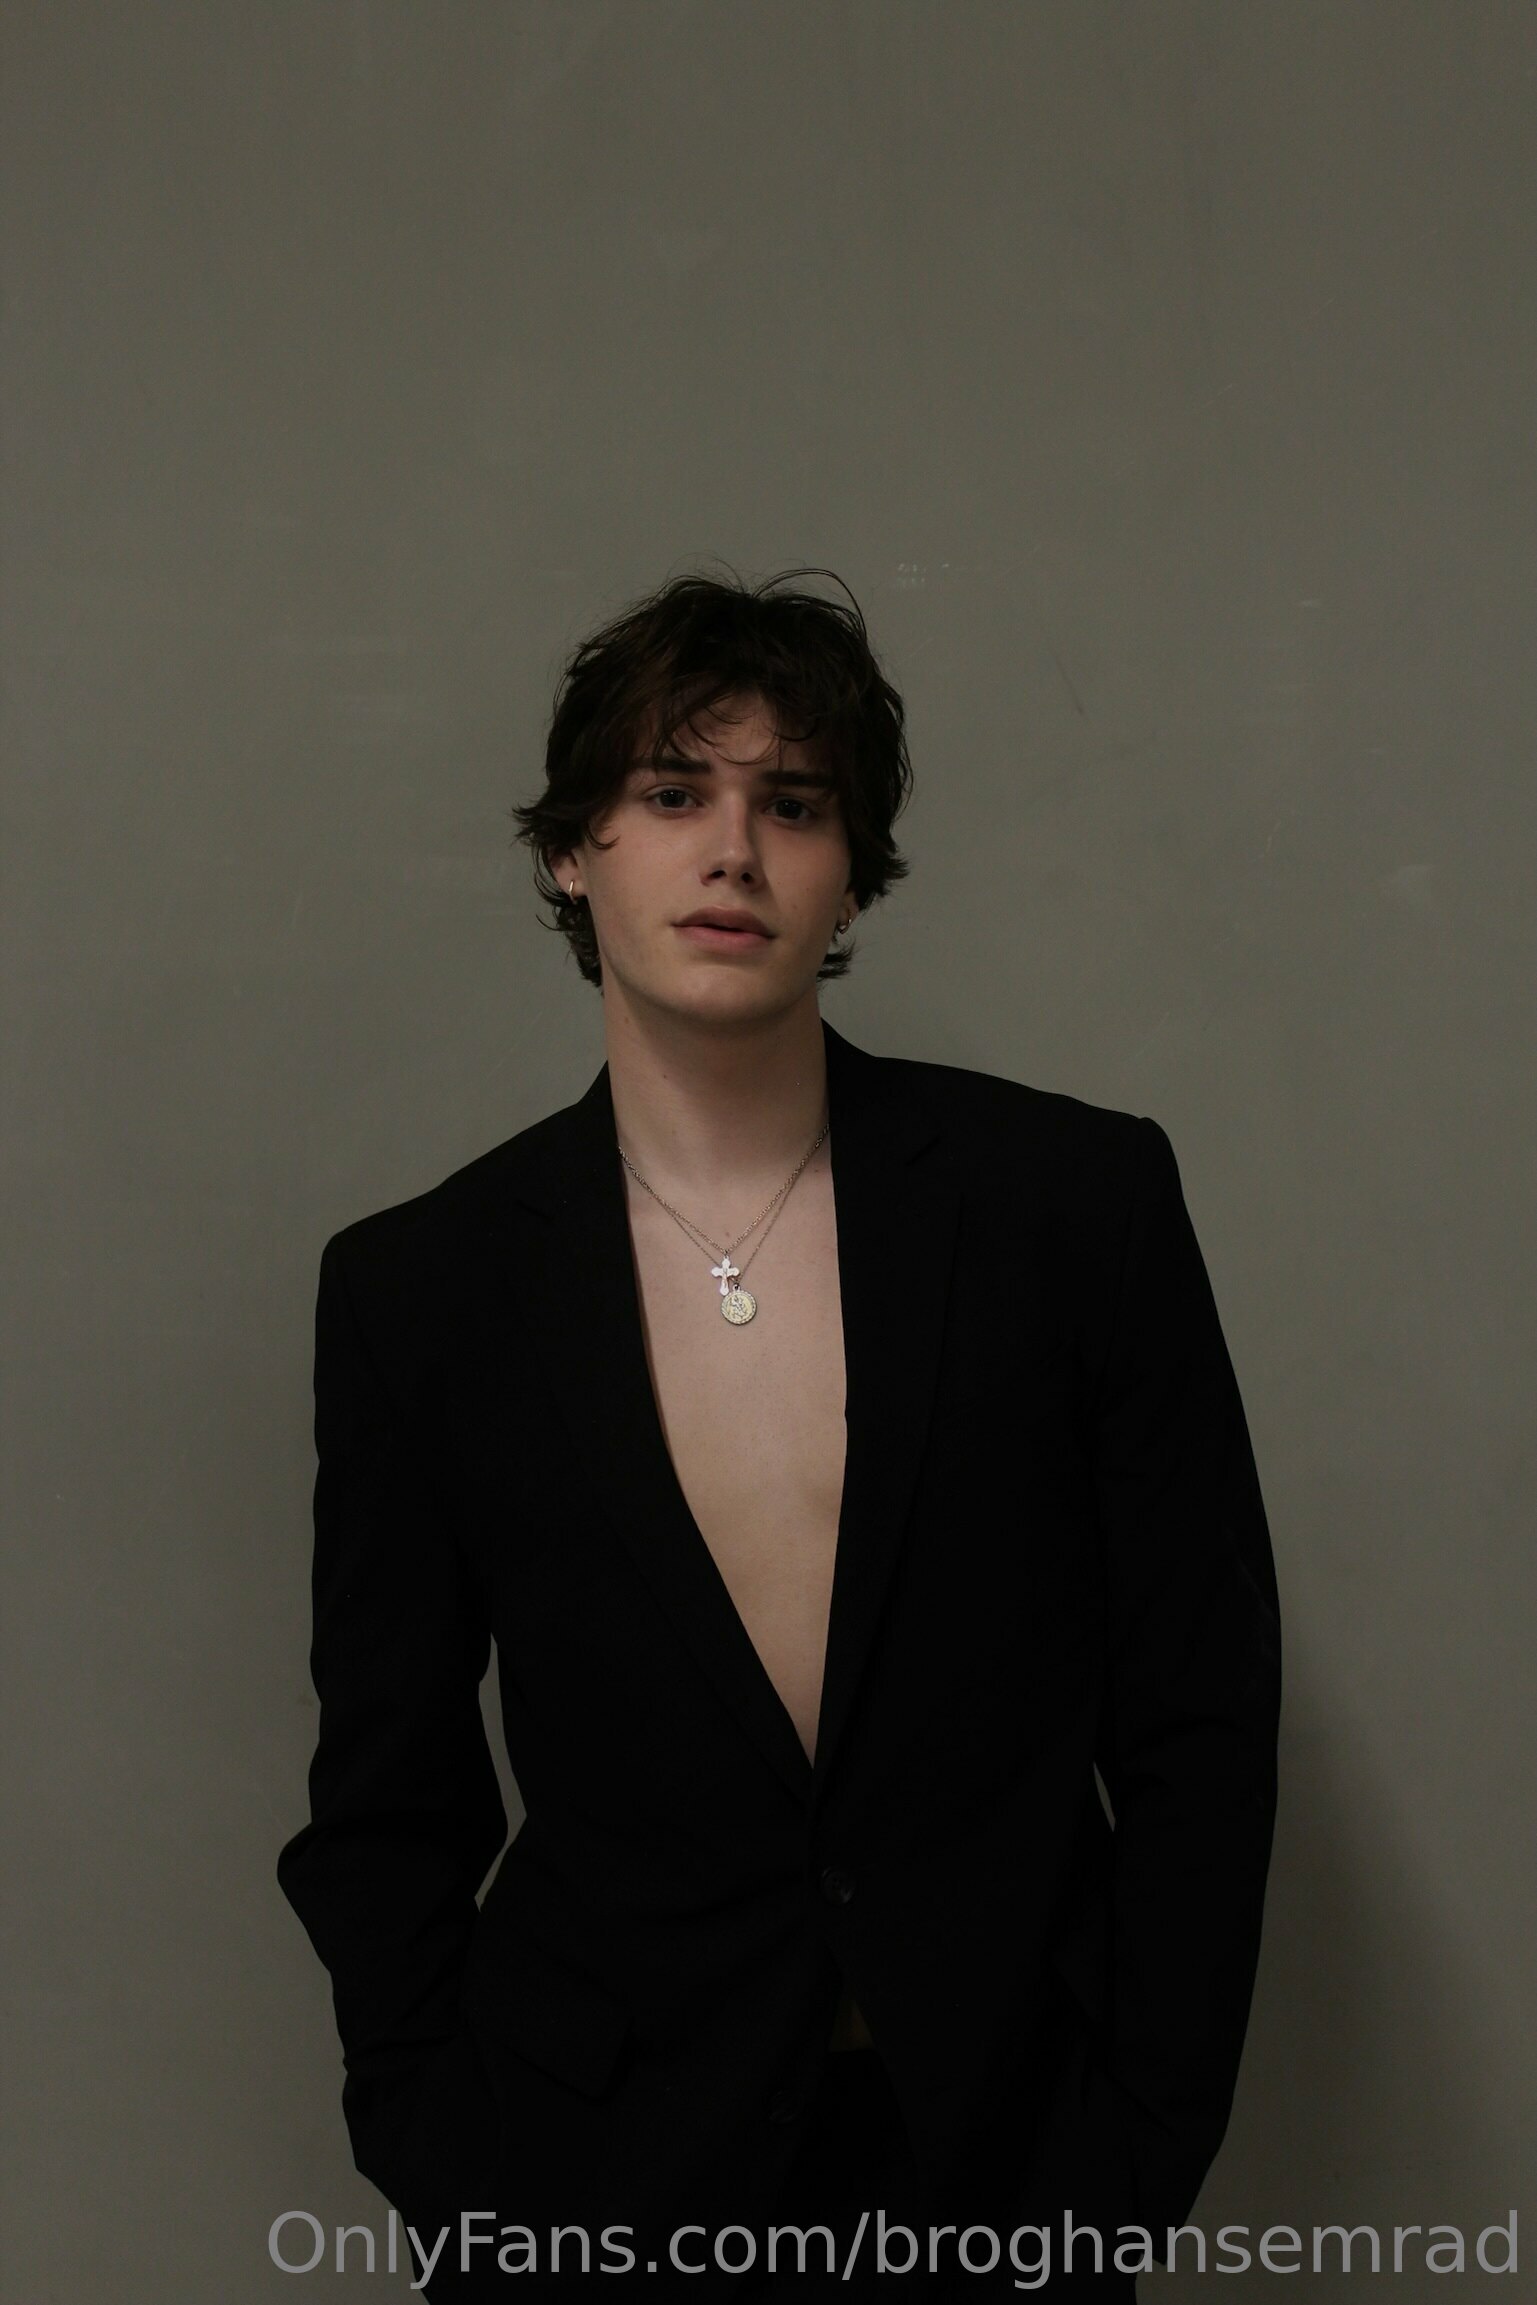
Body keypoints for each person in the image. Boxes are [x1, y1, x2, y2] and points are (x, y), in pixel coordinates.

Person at [276, 567, 1282, 2298]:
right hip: (590, 2170)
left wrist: (1133, 2143)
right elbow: (386, 1796)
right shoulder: (420, 1291)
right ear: (571, 851)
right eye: (673, 792)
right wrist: (451, 2167)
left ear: (851, 871)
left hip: (1008, 2153)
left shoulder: (1071, 1208)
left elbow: (1200, 1711)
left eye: (793, 804)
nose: (732, 850)